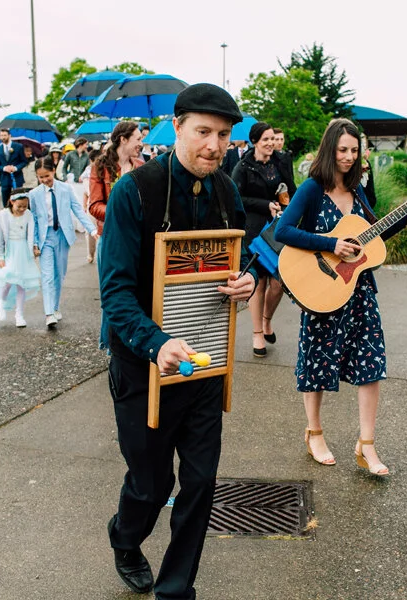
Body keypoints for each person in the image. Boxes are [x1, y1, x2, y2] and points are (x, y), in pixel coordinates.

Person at [99, 83, 257, 600]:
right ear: (177, 126)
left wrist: (244, 284)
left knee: (201, 482)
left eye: (224, 136)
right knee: (151, 484)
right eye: (204, 132)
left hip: (204, 367)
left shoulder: (229, 194)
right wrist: (155, 342)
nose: (215, 146)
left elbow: (239, 265)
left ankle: (175, 589)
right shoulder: (134, 192)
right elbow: (116, 293)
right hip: (143, 365)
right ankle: (125, 537)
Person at [275, 118, 407, 473]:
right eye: (342, 150)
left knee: (371, 364)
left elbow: (373, 237)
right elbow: (283, 230)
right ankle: (314, 432)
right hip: (322, 288)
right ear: (329, 150)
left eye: (353, 151)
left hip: (359, 293)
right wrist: (332, 243)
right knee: (317, 362)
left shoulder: (358, 191)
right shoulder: (313, 189)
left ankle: (367, 445)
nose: (349, 157)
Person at [231, 121, 295, 357]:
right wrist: (264, 204)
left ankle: (267, 320)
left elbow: (293, 189)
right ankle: (257, 333)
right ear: (255, 141)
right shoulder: (243, 166)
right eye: (265, 139)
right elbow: (235, 197)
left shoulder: (282, 161)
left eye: (272, 138)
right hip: (255, 231)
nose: (270, 143)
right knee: (258, 283)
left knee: (278, 283)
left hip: (280, 229)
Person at [28, 157, 96, 329]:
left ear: (54, 171)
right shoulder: (34, 194)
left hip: (63, 236)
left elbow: (78, 210)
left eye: (47, 176)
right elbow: (34, 220)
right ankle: (49, 313)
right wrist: (35, 243)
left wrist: (92, 230)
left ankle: (55, 306)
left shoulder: (66, 189)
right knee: (47, 275)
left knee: (59, 274)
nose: (44, 180)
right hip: (46, 237)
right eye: (40, 177)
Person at [0, 188, 40, 328]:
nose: (22, 209)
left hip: (23, 252)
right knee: (7, 281)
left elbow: (32, 233)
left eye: (25, 206)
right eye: (19, 206)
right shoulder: (3, 215)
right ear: (11, 202)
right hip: (10, 252)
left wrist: (34, 248)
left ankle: (19, 315)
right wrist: (0, 256)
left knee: (22, 284)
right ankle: (2, 303)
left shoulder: (29, 215)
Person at [88, 122, 144, 251]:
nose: (141, 144)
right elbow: (94, 206)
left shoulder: (141, 166)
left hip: (136, 236)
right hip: (111, 235)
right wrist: (120, 213)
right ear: (123, 139)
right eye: (138, 139)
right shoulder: (100, 166)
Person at [79, 146, 102, 264]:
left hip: (102, 205)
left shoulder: (104, 170)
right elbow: (85, 192)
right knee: (90, 231)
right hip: (91, 206)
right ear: (92, 160)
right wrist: (84, 206)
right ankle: (90, 253)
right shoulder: (88, 172)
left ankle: (100, 255)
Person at [0, 129, 26, 207]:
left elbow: (24, 161)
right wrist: (5, 168)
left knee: (19, 198)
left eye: (5, 135)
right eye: (1, 136)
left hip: (17, 177)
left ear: (9, 136)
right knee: (6, 201)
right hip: (4, 178)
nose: (3, 137)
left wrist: (15, 168)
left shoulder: (18, 147)